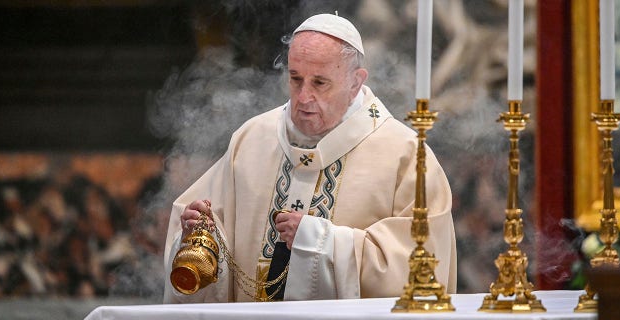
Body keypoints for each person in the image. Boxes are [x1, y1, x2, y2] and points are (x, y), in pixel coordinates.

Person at [163, 13, 456, 303]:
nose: (303, 97)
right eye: (295, 79)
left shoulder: (405, 155)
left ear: (356, 81)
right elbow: (211, 242)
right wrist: (200, 236)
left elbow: (421, 269)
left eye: (319, 83)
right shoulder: (253, 139)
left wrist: (318, 242)